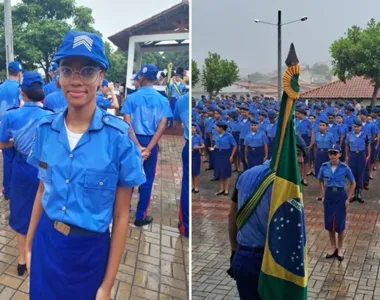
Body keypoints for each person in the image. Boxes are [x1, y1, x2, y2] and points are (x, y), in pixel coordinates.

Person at [25, 30, 146, 300]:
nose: (76, 81)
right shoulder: (45, 129)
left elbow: (122, 216)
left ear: (101, 76)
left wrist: (107, 285)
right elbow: (42, 190)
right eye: (67, 70)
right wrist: (29, 246)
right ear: (58, 76)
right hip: (48, 241)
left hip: (89, 252)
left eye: (87, 71)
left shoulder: (118, 139)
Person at [228, 135, 306, 300]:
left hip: (243, 257)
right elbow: (292, 233)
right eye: (298, 155)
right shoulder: (287, 186)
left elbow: (231, 215)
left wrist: (235, 251)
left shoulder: (245, 175)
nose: (300, 160)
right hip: (271, 264)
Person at [0, 72, 52, 276]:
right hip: (45, 170)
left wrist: (15, 143)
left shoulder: (12, 116)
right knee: (43, 212)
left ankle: (22, 260)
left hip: (21, 169)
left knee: (21, 214)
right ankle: (38, 257)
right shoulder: (51, 116)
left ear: (22, 93)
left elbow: (3, 143)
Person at [121, 64, 172, 226]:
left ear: (141, 78)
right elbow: (162, 126)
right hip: (151, 141)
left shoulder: (131, 98)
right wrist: (148, 149)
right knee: (147, 179)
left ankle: (123, 212)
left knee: (128, 177)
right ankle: (140, 216)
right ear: (155, 78)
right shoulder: (163, 100)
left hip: (132, 141)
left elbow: (127, 124)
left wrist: (137, 146)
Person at [317, 144, 355, 261]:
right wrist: (322, 195)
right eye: (330, 153)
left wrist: (348, 199)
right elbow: (320, 180)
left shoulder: (345, 168)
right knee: (329, 222)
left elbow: (353, 183)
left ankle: (340, 248)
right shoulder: (324, 167)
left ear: (340, 154)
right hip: (329, 196)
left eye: (335, 153)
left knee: (340, 223)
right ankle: (333, 247)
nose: (332, 156)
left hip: (340, 196)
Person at [0, 61, 23, 201]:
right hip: (18, 127)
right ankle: (17, 188)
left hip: (3, 126)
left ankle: (7, 189)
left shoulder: (1, 87)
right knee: (19, 159)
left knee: (7, 160)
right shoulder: (20, 88)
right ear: (19, 73)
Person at [173, 92, 190, 238]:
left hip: (188, 144)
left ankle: (186, 225)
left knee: (186, 185)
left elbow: (176, 125)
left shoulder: (181, 100)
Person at [346, 118, 370, 203]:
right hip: (352, 155)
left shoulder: (365, 135)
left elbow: (368, 145)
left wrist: (368, 155)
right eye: (354, 126)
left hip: (361, 155)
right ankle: (353, 193)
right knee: (352, 174)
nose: (356, 128)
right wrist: (346, 156)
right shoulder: (349, 135)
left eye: (357, 127)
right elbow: (347, 146)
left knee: (360, 174)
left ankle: (359, 193)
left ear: (361, 127)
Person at [212, 121, 237, 196]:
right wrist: (214, 147)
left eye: (217, 127)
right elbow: (216, 143)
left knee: (226, 172)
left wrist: (232, 156)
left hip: (226, 154)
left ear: (221, 128)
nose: (216, 128)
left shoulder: (229, 136)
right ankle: (221, 189)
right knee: (220, 171)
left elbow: (235, 145)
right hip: (218, 154)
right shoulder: (216, 135)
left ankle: (226, 189)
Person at [314, 115, 335, 198]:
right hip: (319, 154)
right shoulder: (316, 135)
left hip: (327, 155)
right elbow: (315, 145)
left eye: (323, 125)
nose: (321, 127)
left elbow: (333, 145)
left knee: (327, 174)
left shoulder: (330, 135)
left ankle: (328, 193)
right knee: (320, 175)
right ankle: (321, 194)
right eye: (320, 125)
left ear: (326, 127)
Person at [191, 122, 204, 193]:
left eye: (194, 128)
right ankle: (192, 185)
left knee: (196, 172)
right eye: (191, 128)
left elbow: (203, 145)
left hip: (195, 155)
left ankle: (196, 187)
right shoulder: (187, 136)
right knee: (190, 171)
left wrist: (198, 147)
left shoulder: (198, 137)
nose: (193, 130)